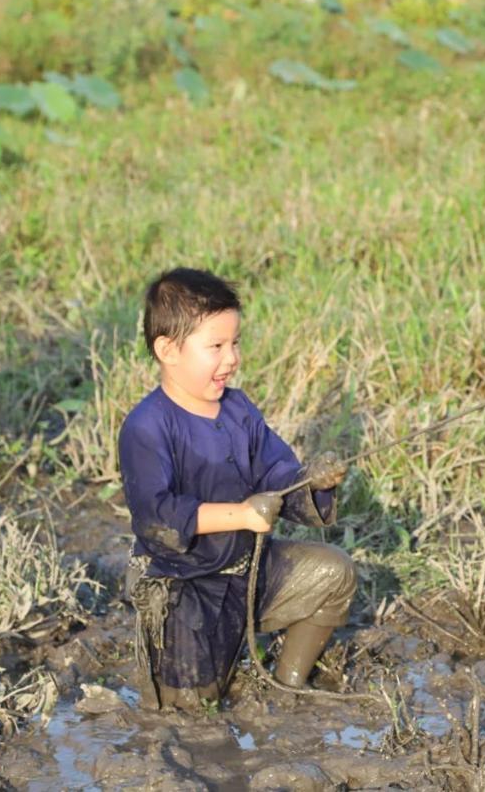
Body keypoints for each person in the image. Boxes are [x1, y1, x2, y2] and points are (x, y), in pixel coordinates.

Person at [119, 267, 355, 710]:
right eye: (216, 346)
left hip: (248, 571)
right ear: (167, 350)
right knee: (190, 715)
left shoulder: (239, 409)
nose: (231, 359)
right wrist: (243, 515)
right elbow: (158, 517)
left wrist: (315, 482)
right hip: (183, 590)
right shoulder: (147, 427)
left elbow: (278, 472)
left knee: (334, 572)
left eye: (235, 343)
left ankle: (287, 686)